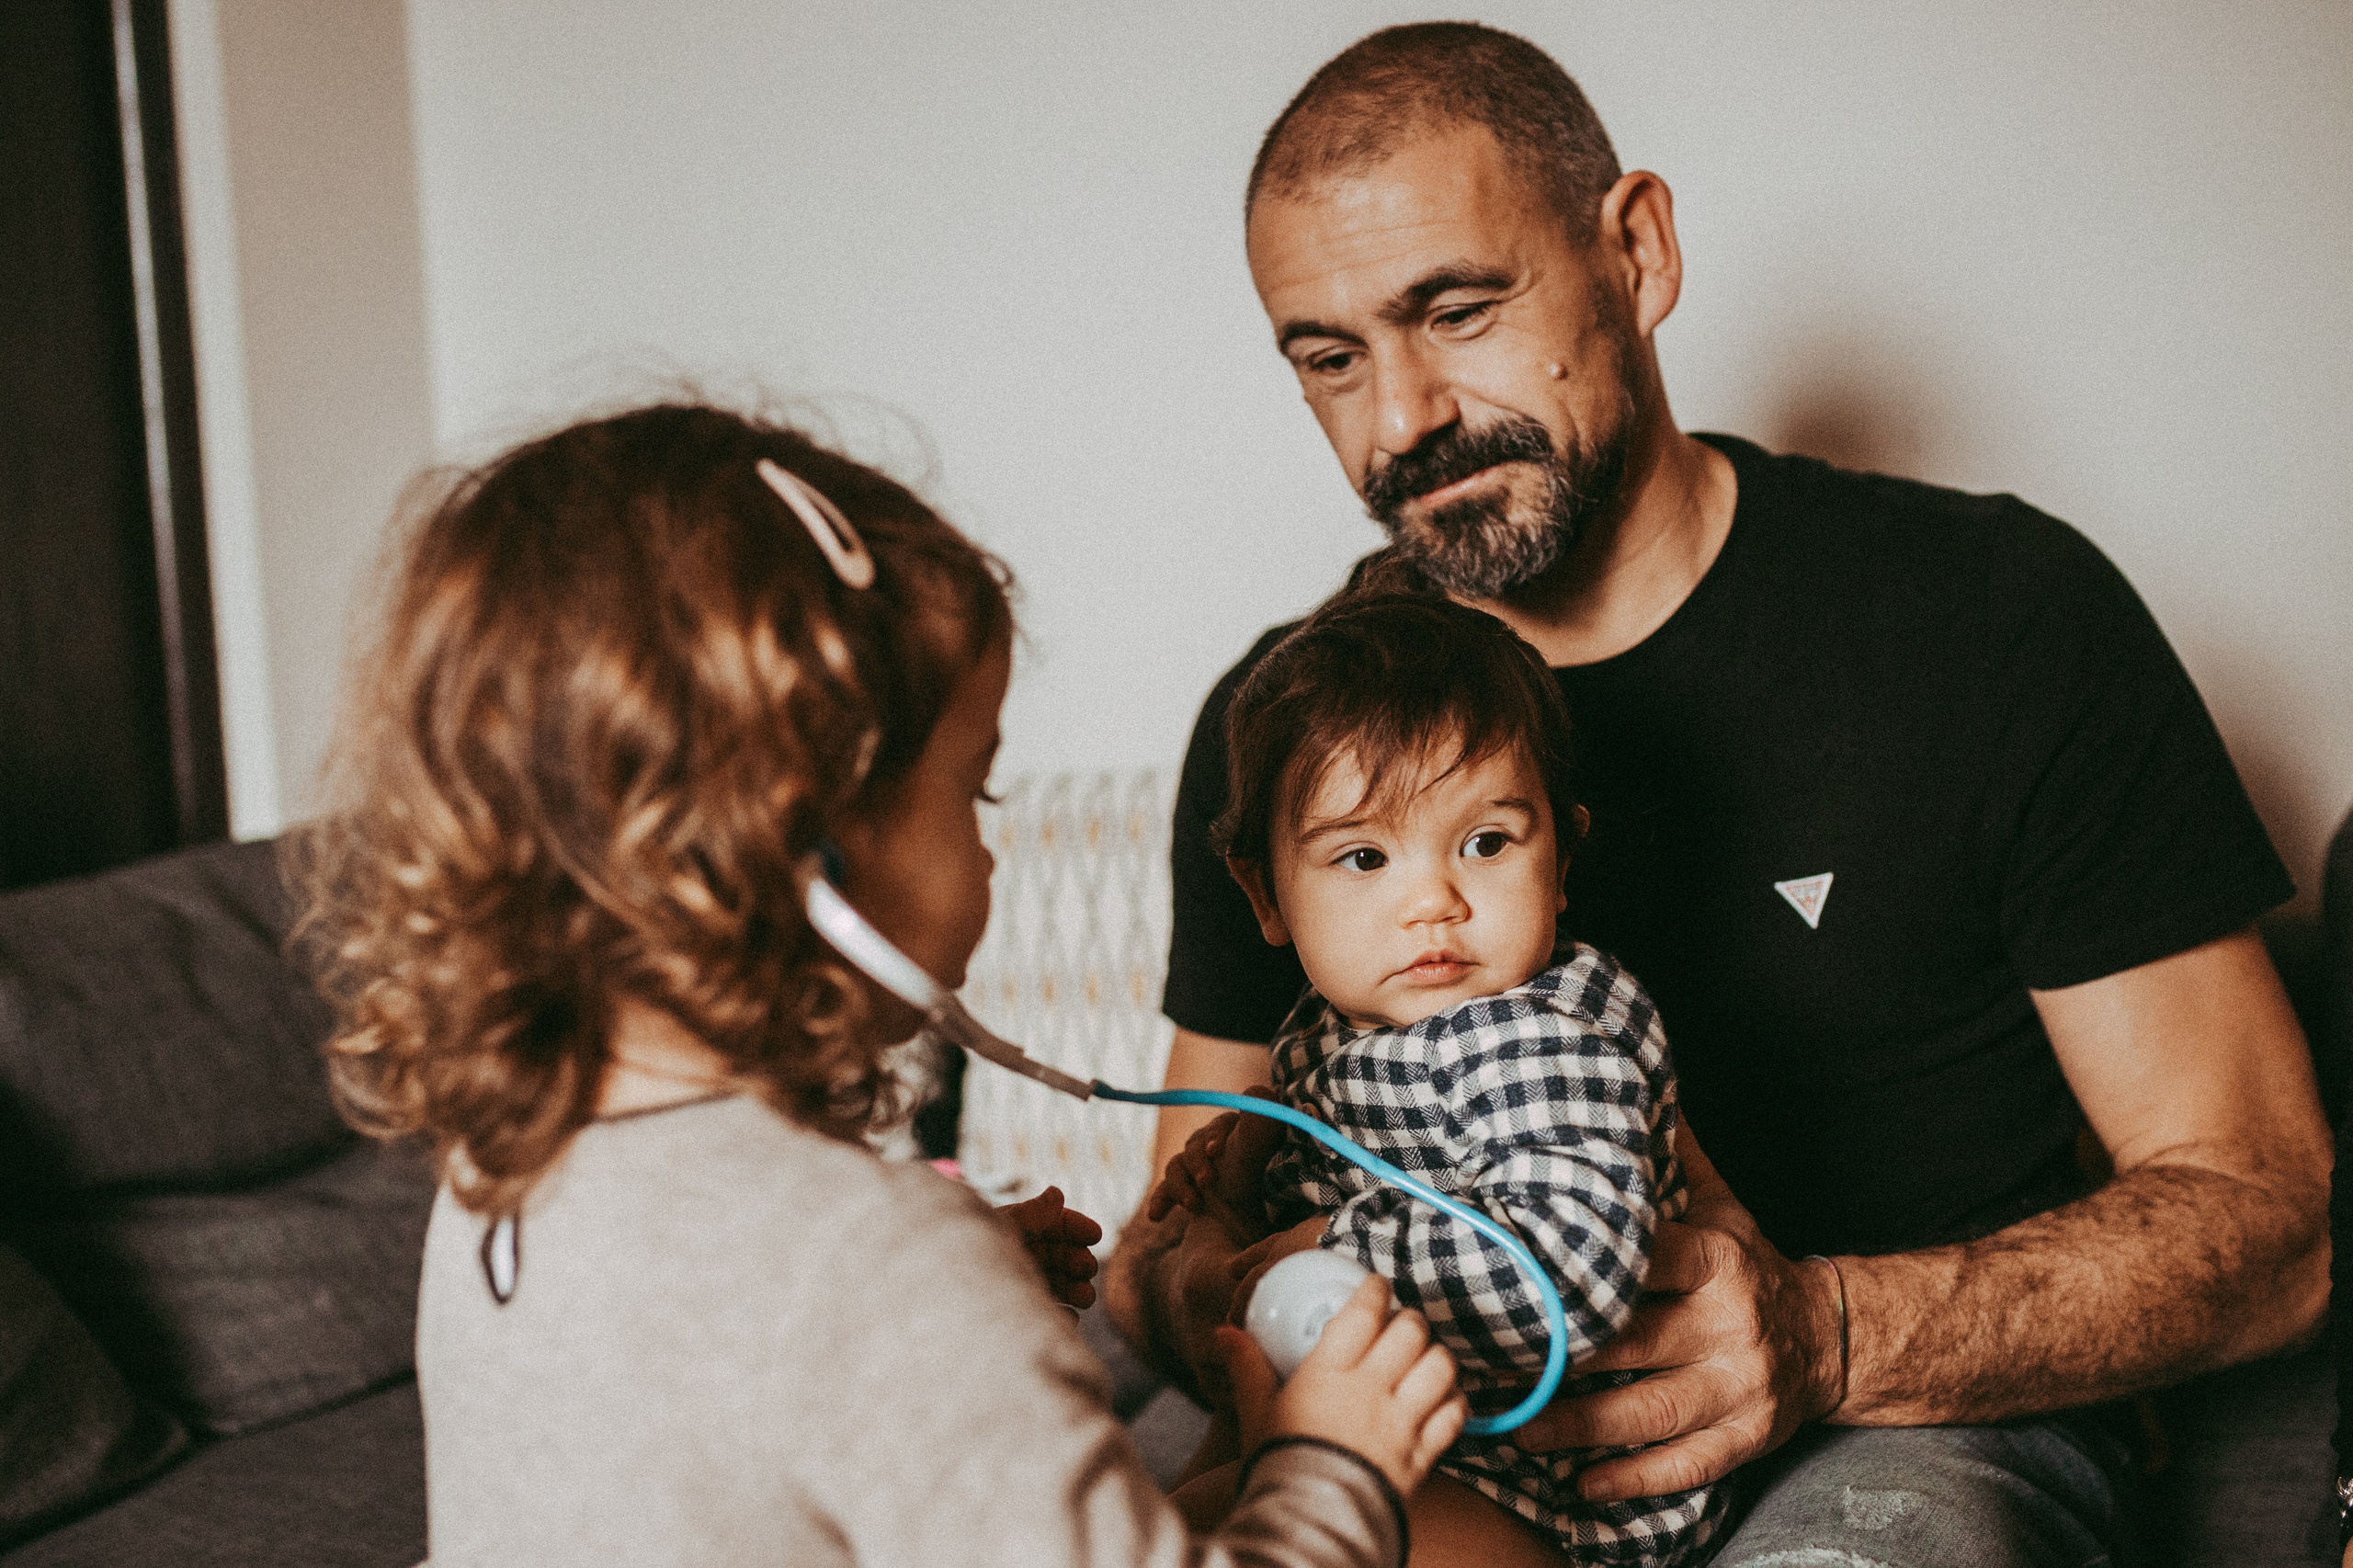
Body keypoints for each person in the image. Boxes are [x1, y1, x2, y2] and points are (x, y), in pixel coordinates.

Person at [1103, 22, 2332, 1566]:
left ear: (1637, 251)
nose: (1401, 417)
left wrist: (1830, 1332)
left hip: (1907, 1427)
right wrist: (1213, 1293)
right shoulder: (1294, 728)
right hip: (1447, 1446)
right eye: (1331, 358)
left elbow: (2273, 1217)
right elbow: (1180, 1226)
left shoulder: (1994, 612)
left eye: (1457, 311)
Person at [294, 402, 1468, 1567]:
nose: (989, 847)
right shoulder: (879, 1267)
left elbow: (716, 1377)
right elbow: (834, 1300)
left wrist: (959, 1295)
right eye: (973, 787)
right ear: (804, 846)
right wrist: (1331, 1461)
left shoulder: (500, 1177)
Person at [1151, 592, 1725, 1565]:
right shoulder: (1332, 1028)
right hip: (1377, 1434)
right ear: (1264, 894)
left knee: (1215, 1524)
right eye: (1364, 856)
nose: (1432, 901)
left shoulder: (1541, 1036)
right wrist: (1237, 1183)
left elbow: (1570, 1267)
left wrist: (1332, 1250)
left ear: (1562, 856)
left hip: (1546, 1491)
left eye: (1486, 842)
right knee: (1164, 1519)